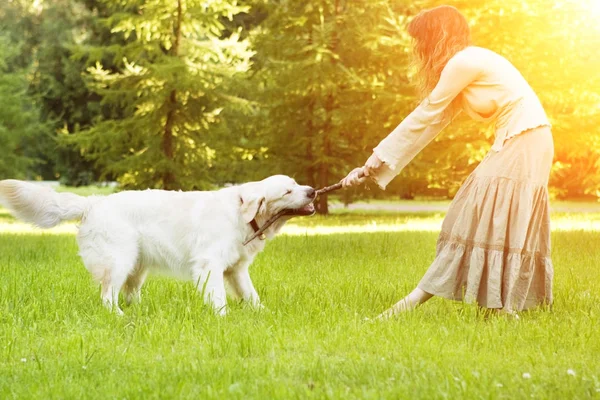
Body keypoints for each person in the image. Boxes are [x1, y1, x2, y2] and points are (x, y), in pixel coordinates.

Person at [341, 5, 554, 318]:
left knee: (478, 213)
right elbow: (432, 123)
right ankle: (500, 308)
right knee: (482, 214)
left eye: (420, 40)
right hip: (523, 140)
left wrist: (376, 158)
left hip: (525, 138)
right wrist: (373, 166)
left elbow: (425, 113)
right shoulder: (467, 65)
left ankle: (424, 306)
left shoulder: (465, 61)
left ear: (435, 36)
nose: (417, 49)